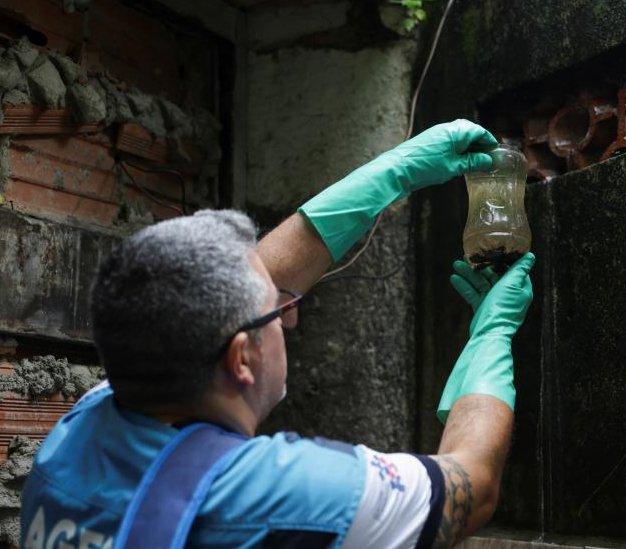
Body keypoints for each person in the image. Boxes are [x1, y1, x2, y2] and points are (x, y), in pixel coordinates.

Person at [18, 120, 535, 548]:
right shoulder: (290, 496)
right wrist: (490, 335)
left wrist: (393, 172)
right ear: (241, 358)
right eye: (276, 311)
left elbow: (235, 285)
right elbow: (475, 485)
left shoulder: (75, 433)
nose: (289, 315)